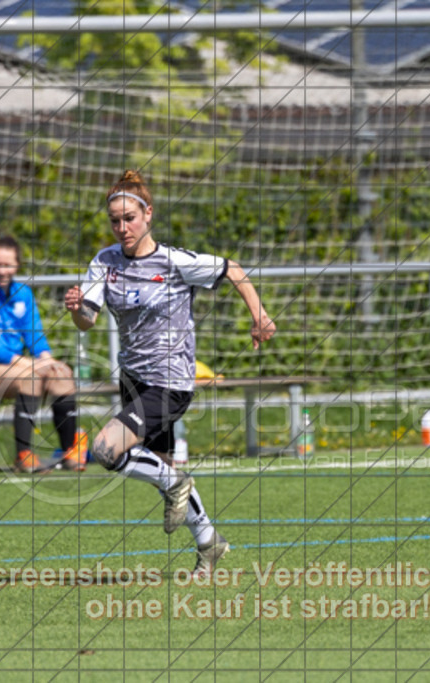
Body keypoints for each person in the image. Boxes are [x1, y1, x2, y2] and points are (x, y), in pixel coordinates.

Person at [63, 170, 276, 577]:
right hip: (133, 381)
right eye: (114, 220)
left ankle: (180, 486)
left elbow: (233, 269)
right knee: (160, 470)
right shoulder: (104, 263)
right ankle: (210, 542)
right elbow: (87, 321)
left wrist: (259, 315)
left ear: (148, 215)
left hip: (171, 381)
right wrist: (76, 308)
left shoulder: (174, 261)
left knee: (106, 451)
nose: (122, 227)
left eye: (129, 217)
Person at [0, 235, 89, 473]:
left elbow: (35, 335)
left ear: (17, 265)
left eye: (8, 265)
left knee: (62, 373)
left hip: (15, 364)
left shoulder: (23, 293)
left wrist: (47, 359)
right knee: (31, 376)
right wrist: (29, 364)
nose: (2, 270)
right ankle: (23, 455)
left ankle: (70, 451)